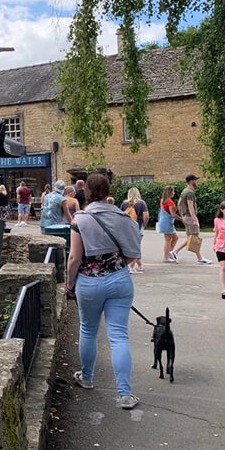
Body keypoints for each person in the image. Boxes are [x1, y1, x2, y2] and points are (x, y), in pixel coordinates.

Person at [64, 173, 142, 409]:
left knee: (88, 330)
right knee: (118, 336)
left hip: (89, 282)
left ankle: (87, 378)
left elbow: (74, 258)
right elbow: (132, 254)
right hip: (119, 280)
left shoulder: (81, 219)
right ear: (108, 191)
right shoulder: (123, 217)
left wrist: (69, 284)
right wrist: (114, 267)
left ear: (86, 191)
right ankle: (125, 393)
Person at [170, 174, 211, 264]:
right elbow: (191, 207)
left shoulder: (184, 191)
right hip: (190, 217)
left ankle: (198, 258)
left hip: (185, 217)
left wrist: (182, 215)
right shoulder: (190, 192)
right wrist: (195, 219)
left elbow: (179, 203)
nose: (197, 182)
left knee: (191, 237)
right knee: (194, 237)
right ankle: (175, 252)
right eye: (196, 180)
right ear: (192, 181)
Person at [120, 188, 149, 273]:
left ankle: (139, 265)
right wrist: (144, 225)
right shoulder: (141, 203)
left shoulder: (124, 203)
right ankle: (131, 266)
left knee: (128, 246)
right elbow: (146, 216)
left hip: (126, 228)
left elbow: (120, 215)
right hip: (137, 226)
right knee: (136, 247)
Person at [157, 186, 181, 263]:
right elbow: (173, 214)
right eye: (173, 191)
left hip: (164, 221)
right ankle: (166, 257)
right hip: (167, 222)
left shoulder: (163, 200)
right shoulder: (170, 202)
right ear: (170, 192)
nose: (174, 193)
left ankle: (169, 253)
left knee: (175, 237)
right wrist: (182, 219)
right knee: (167, 240)